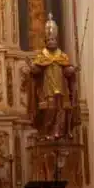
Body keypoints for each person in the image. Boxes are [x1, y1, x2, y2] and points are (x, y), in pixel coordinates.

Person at [27, 14, 78, 142]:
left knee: (61, 110)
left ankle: (58, 131)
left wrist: (72, 70)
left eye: (53, 40)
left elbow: (67, 71)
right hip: (47, 87)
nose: (51, 42)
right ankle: (46, 131)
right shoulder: (42, 56)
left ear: (57, 41)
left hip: (61, 88)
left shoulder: (62, 56)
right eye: (49, 40)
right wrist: (32, 68)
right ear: (45, 42)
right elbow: (37, 71)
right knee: (49, 109)